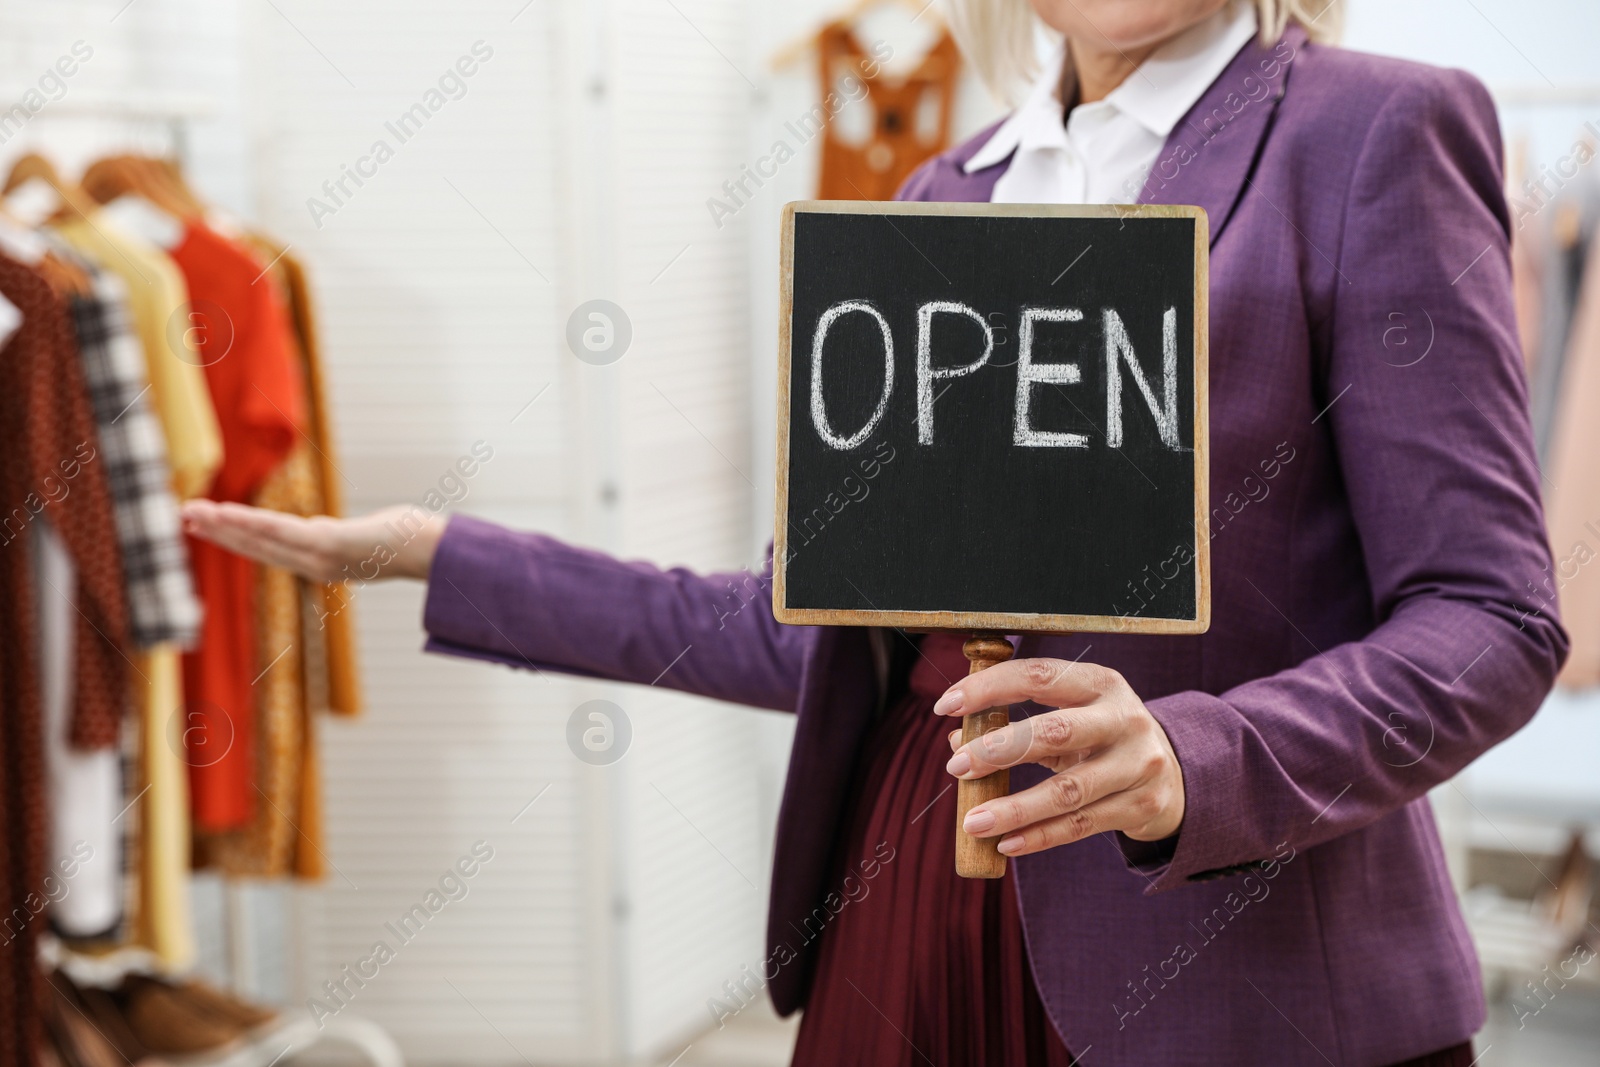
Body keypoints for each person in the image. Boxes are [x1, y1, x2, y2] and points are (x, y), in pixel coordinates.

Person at [183, 0, 1565, 1063]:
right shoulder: (940, 199)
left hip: (1227, 960)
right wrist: (446, 554)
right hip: (907, 913)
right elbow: (829, 631)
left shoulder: (1373, 131)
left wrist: (1194, 758)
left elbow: (1490, 619)